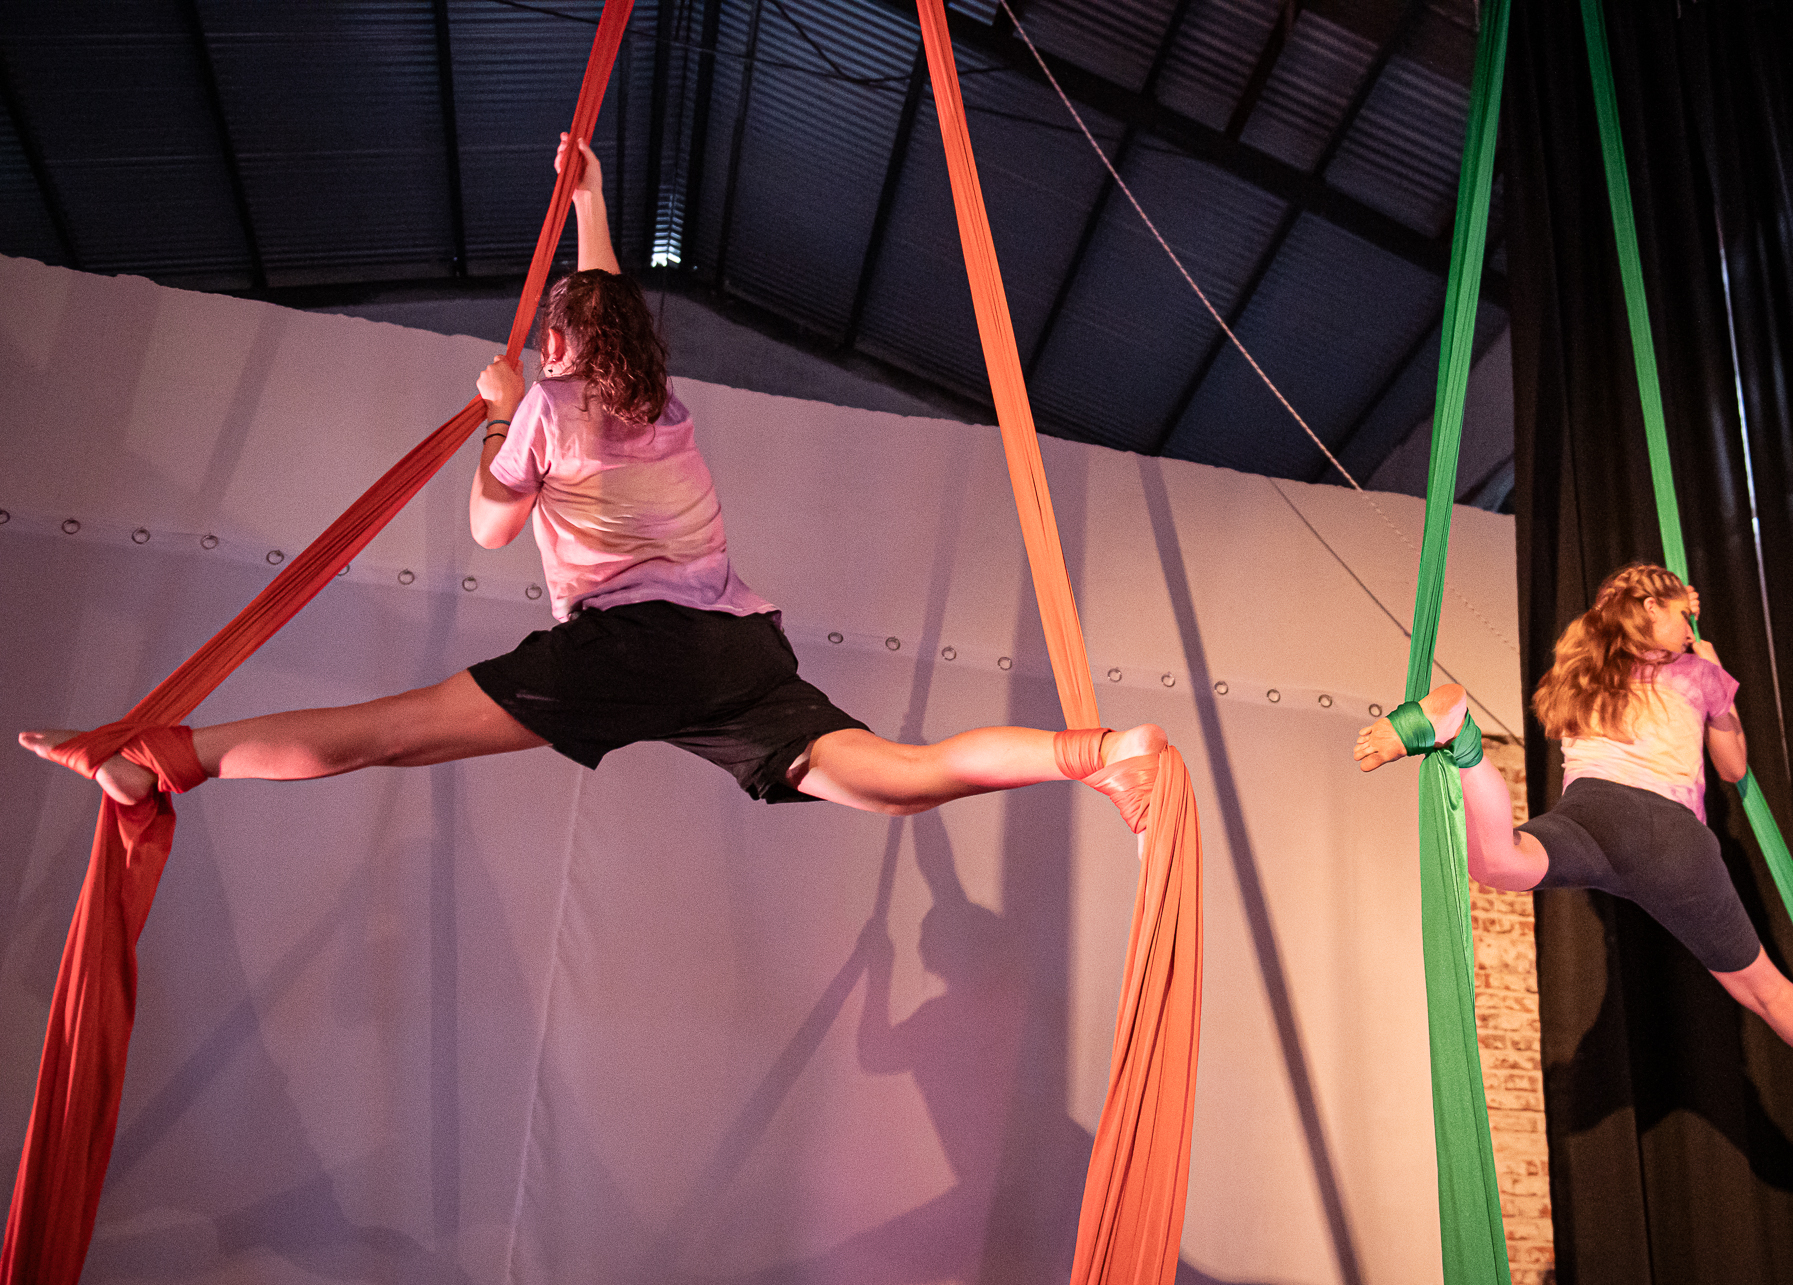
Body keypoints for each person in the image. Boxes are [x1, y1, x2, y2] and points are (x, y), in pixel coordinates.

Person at [21, 135, 1164, 831]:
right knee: (894, 780)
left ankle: (160, 761)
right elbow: (604, 294)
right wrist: (589, 204)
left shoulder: (548, 408)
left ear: (560, 346)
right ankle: (1103, 754)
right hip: (737, 651)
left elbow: (489, 528)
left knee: (392, 732)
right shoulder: (658, 405)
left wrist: (495, 409)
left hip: (634, 646)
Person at [1353, 561, 1793, 1100]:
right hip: (1667, 834)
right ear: (1649, 607)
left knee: (1500, 862)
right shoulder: (1697, 673)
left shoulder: (1582, 671)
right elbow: (1733, 768)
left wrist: (1676, 605)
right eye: (1683, 617)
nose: (1690, 631)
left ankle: (1465, 744)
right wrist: (1715, 670)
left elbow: (1641, 617)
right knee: (1764, 990)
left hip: (1589, 815)